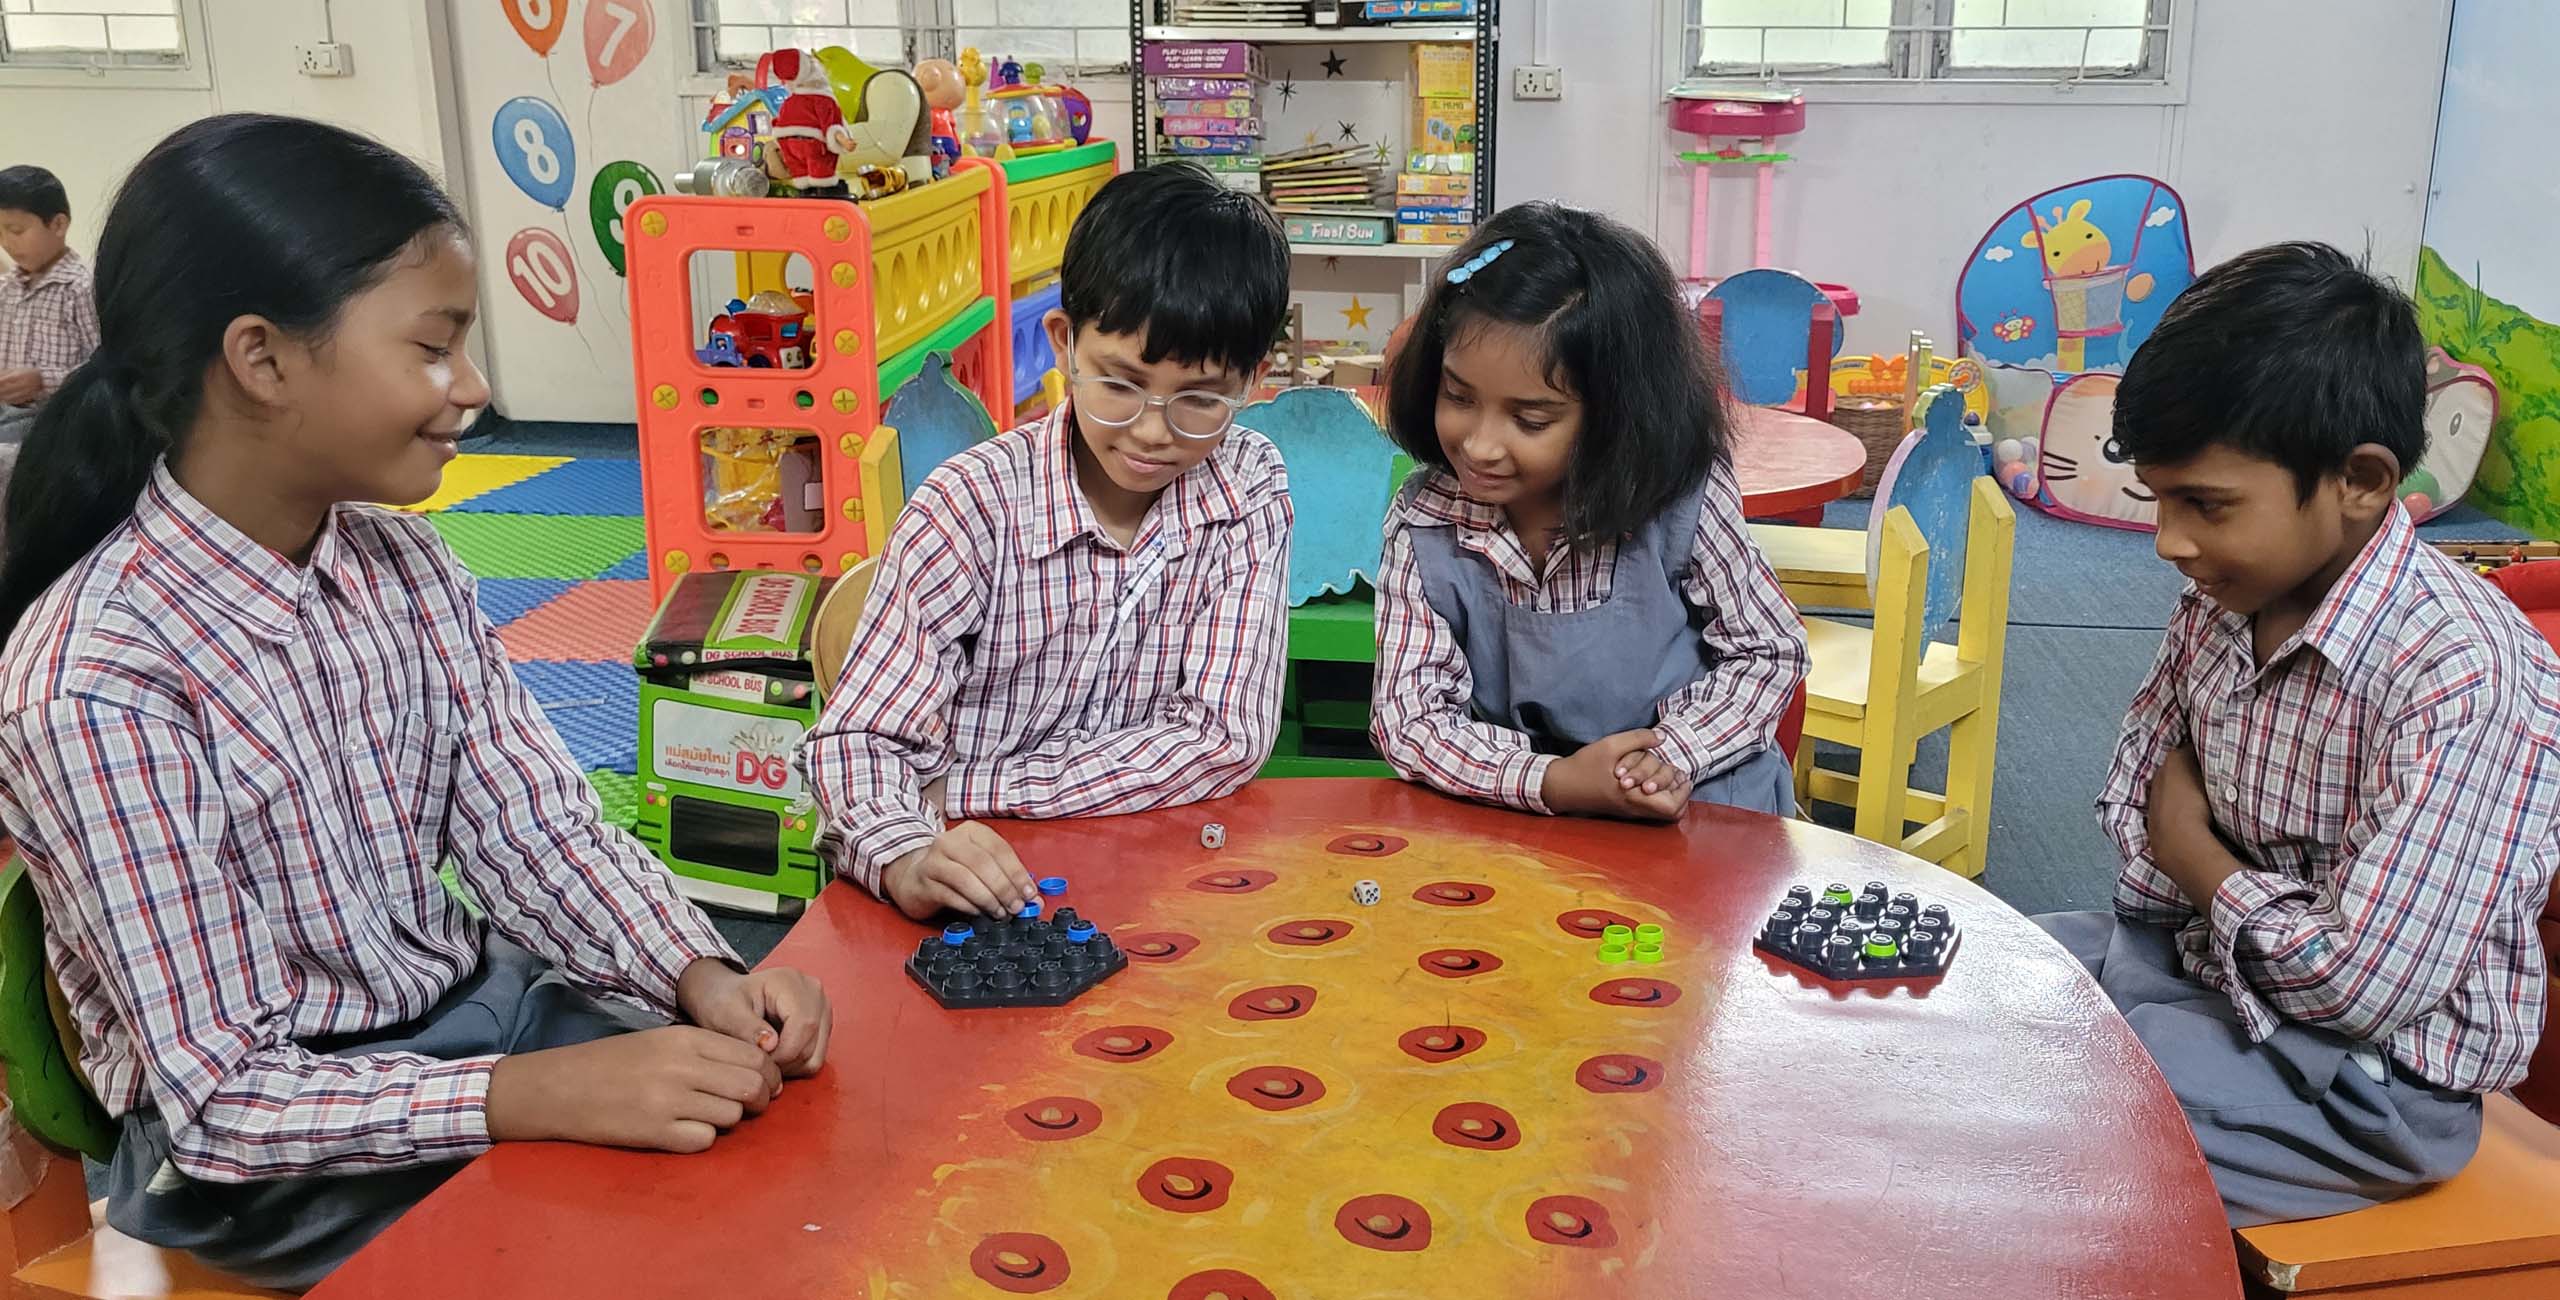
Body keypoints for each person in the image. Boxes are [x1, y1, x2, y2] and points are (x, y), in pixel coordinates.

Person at [0, 115, 831, 1289]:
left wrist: (701, 975)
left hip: (481, 1024)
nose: (474, 388)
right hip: (278, 1161)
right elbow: (227, 1102)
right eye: (434, 348)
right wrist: (528, 1094)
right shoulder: (99, 678)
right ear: (262, 360)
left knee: (791, 1165)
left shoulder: (406, 568)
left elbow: (535, 831)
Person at [2038, 241, 2560, 1226]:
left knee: (2047, 1123)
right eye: (2159, 499)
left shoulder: (2464, 675)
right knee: (1983, 984)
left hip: (2364, 1084)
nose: (2169, 541)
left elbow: (2358, 986)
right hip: (2199, 969)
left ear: (2360, 479)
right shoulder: (2226, 595)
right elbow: (2135, 818)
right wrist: (2185, 867)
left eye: (2206, 504)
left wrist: (2195, 851)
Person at [802, 161, 1293, 921]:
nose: (1152, 431)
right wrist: (906, 856)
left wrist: (967, 788)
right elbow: (858, 746)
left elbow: (1226, 736)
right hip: (968, 884)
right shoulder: (971, 505)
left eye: (1199, 399)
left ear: (1252, 382)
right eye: (1119, 384)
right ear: (1064, 343)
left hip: (1146, 878)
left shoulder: (1248, 485)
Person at [1368, 203, 1807, 821]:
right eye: (1458, 397)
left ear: (1616, 415)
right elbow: (1409, 719)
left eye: (1531, 420)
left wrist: (1669, 757)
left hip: (1699, 808)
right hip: (1529, 816)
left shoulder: (1680, 498)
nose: (1481, 446)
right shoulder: (1427, 521)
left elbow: (1769, 652)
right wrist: (1554, 781)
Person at [0, 164, 98, 445]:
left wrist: (43, 380)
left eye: (16, 230)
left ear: (58, 225)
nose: (7, 243)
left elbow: (105, 367)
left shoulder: (81, 288)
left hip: (54, 417)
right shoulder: (7, 288)